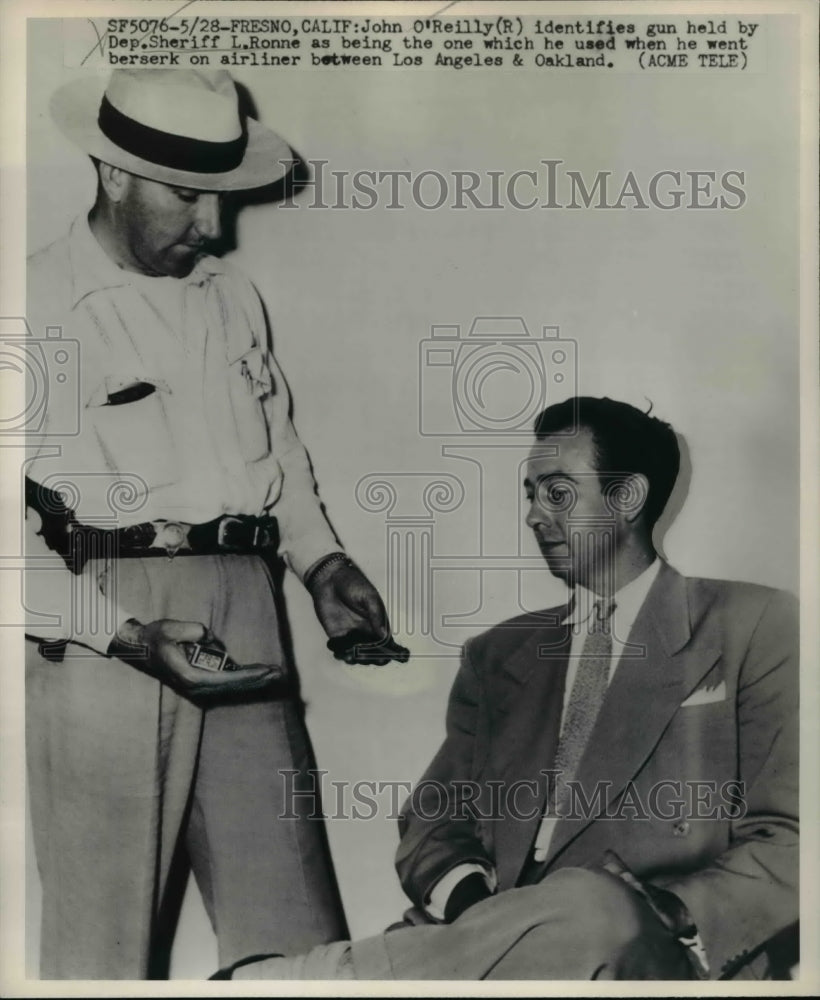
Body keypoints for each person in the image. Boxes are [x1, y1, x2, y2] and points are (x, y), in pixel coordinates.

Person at [24, 68, 407, 979]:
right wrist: (117, 631)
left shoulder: (230, 297)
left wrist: (321, 567)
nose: (213, 225)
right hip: (101, 620)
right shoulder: (28, 303)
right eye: (188, 195)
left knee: (297, 924)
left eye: (224, 198)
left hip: (248, 601)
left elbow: (282, 452)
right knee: (102, 943)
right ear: (112, 174)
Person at [216, 396, 798, 981]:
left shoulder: (751, 623)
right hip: (488, 944)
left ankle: (300, 981)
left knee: (593, 908)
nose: (534, 516)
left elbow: (796, 832)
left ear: (627, 498)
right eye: (531, 493)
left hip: (654, 948)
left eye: (558, 492)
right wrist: (486, 913)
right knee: (567, 915)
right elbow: (434, 816)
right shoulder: (498, 654)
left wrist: (680, 908)